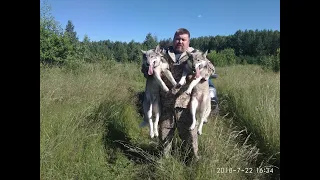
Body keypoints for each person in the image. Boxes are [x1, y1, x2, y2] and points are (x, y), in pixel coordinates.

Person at [141, 28, 218, 160]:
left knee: (190, 136)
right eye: (177, 39)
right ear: (173, 39)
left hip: (186, 103)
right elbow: (144, 68)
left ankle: (193, 161)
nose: (180, 41)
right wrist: (150, 69)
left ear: (188, 41)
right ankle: (164, 162)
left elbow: (211, 68)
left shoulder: (194, 54)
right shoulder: (163, 53)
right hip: (165, 102)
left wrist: (201, 74)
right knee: (164, 136)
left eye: (183, 39)